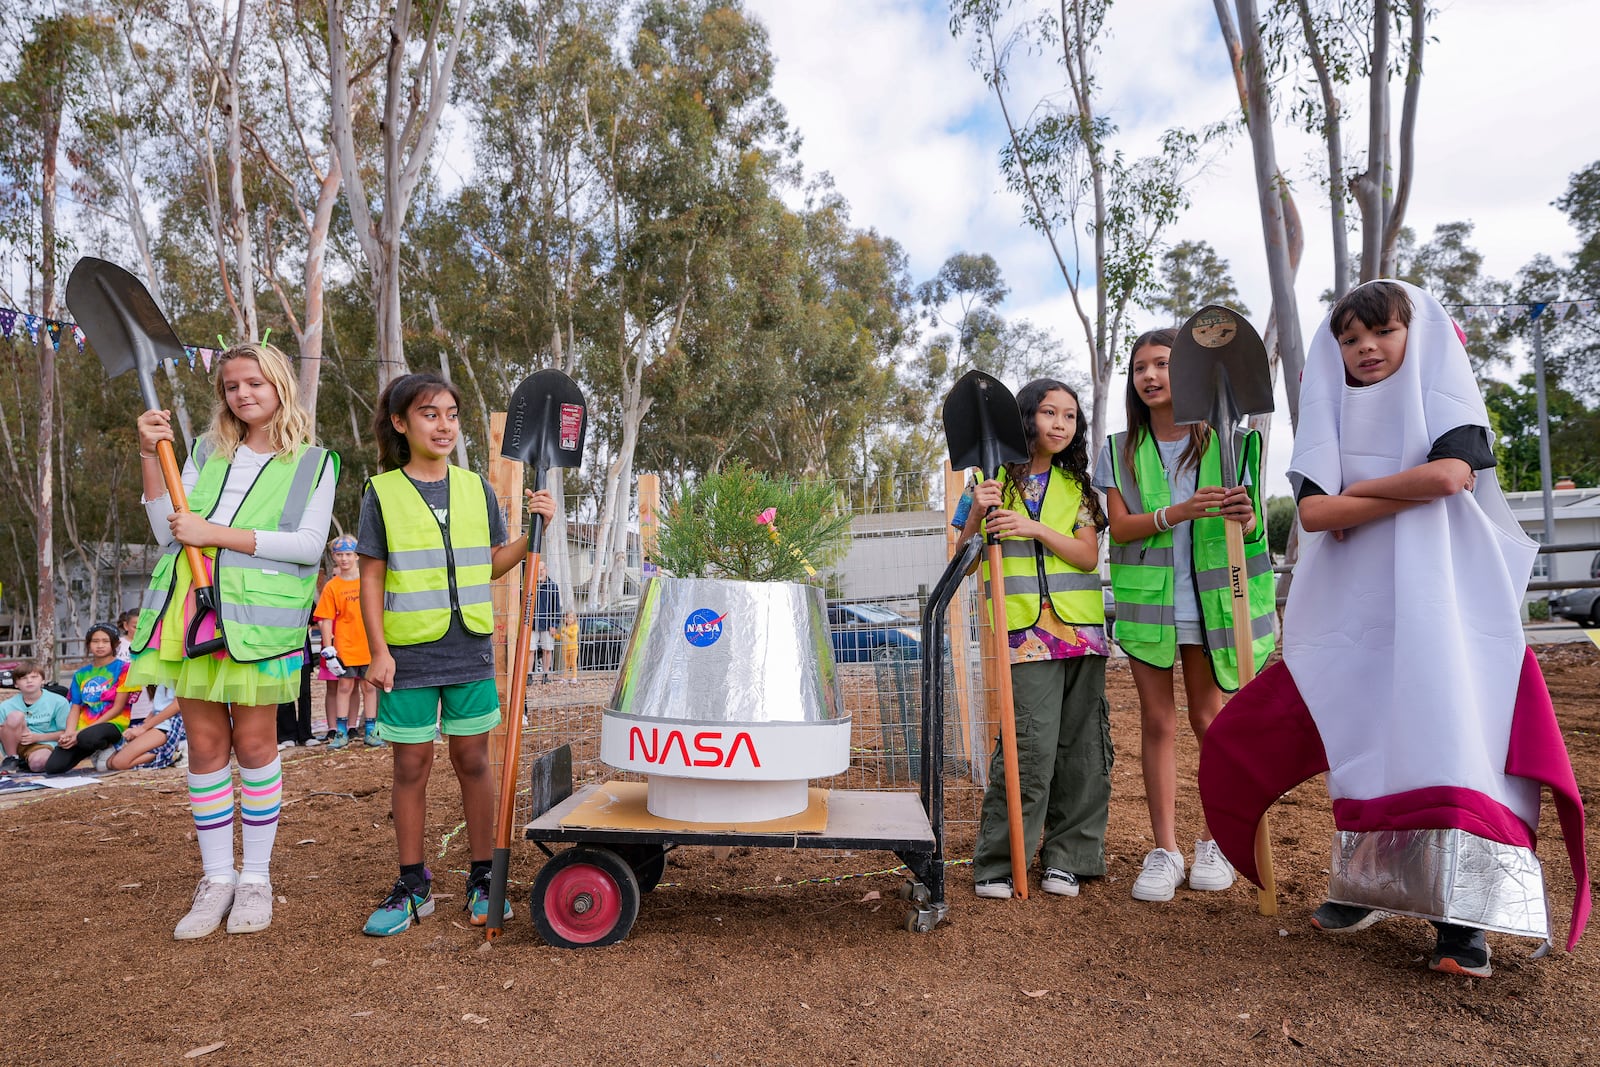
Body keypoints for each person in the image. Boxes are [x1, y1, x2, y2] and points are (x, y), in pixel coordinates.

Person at [1199, 280, 1589, 977]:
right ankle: (1365, 884)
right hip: (1363, 610)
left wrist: (1356, 495)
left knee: (1448, 738)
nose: (1366, 349)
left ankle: (1461, 920)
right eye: (1349, 339)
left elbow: (1450, 476)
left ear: (1417, 336)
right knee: (1368, 738)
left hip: (1446, 603)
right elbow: (1315, 516)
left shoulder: (1443, 395)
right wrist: (1357, 499)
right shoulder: (1336, 413)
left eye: (1382, 333)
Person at [127, 341, 337, 939]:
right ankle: (217, 878)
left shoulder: (315, 462)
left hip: (257, 622)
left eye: (254, 383)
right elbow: (167, 530)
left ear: (278, 386)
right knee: (205, 747)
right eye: (230, 386)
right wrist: (150, 454)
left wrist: (214, 533)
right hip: (192, 614)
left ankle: (256, 879)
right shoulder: (204, 451)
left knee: (254, 744)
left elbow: (305, 544)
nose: (242, 395)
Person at [357, 373, 556, 935]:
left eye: (450, 414)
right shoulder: (382, 493)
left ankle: (483, 877)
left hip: (469, 648)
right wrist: (378, 651)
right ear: (400, 423)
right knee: (411, 765)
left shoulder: (475, 488)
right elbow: (370, 581)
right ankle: (412, 884)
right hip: (409, 654)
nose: (442, 425)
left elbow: (491, 562)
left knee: (473, 762)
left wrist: (534, 531)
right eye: (428, 413)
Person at [1094, 327, 1275, 903]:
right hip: (1151, 605)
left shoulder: (1231, 442)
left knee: (1208, 719)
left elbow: (1250, 526)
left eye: (1163, 365)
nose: (1149, 376)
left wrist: (1244, 516)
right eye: (1140, 367)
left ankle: (1214, 841)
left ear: (1189, 373)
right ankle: (1164, 849)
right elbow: (1119, 528)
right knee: (1158, 722)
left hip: (1212, 604)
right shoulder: (1118, 449)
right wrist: (1176, 512)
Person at [952, 379, 1111, 900]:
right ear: (1026, 419)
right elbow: (962, 551)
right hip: (1026, 634)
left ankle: (1069, 857)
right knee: (1029, 747)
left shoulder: (1078, 486)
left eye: (1069, 416)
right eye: (1049, 413)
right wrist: (978, 510)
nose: (1060, 424)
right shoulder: (986, 481)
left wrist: (1035, 528)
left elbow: (1087, 557)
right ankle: (1002, 860)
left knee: (1082, 749)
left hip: (1082, 633)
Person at [314, 534, 378, 748]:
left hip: (369, 646)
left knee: (369, 688)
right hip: (345, 648)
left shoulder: (369, 580)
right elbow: (325, 618)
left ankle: (371, 730)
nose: (344, 559)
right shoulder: (332, 586)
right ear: (333, 556)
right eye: (339, 555)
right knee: (344, 687)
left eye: (348, 554)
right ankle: (341, 732)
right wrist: (328, 648)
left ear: (357, 556)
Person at [44, 625, 132, 774]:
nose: (100, 645)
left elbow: (118, 708)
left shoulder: (124, 669)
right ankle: (93, 749)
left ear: (115, 644)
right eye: (95, 641)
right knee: (54, 767)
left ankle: (109, 747)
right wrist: (70, 733)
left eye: (105, 641)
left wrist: (80, 733)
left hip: (113, 724)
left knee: (87, 737)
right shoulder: (81, 674)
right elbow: (75, 707)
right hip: (84, 729)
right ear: (88, 644)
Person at [0, 661, 70, 773]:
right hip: (13, 744)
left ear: (42, 680)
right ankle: (12, 758)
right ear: (16, 684)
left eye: (34, 677)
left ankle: (25, 762)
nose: (29, 681)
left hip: (43, 743)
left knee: (38, 764)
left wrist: (37, 737)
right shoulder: (5, 706)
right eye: (23, 678)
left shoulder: (59, 701)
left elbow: (65, 732)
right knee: (15, 716)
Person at [107, 685, 186, 771]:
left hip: (170, 724)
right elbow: (156, 709)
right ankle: (161, 751)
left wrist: (143, 728)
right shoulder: (159, 678)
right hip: (155, 721)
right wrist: (140, 727)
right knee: (109, 763)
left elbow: (177, 705)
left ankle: (168, 753)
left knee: (118, 763)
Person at [532, 561, 560, 681]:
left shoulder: (553, 587)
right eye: (537, 569)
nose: (539, 572)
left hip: (548, 624)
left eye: (541, 569)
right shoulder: (531, 585)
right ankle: (529, 675)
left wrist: (554, 624)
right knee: (530, 650)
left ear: (546, 570)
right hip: (532, 625)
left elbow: (556, 608)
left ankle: (545, 675)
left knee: (547, 650)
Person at [561, 610, 580, 682]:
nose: (569, 619)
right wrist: (555, 635)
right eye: (567, 617)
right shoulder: (564, 627)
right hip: (565, 649)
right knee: (566, 664)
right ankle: (565, 677)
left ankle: (574, 677)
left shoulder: (575, 627)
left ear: (574, 619)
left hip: (573, 648)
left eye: (571, 617)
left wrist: (566, 631)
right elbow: (561, 637)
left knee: (573, 663)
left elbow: (573, 635)